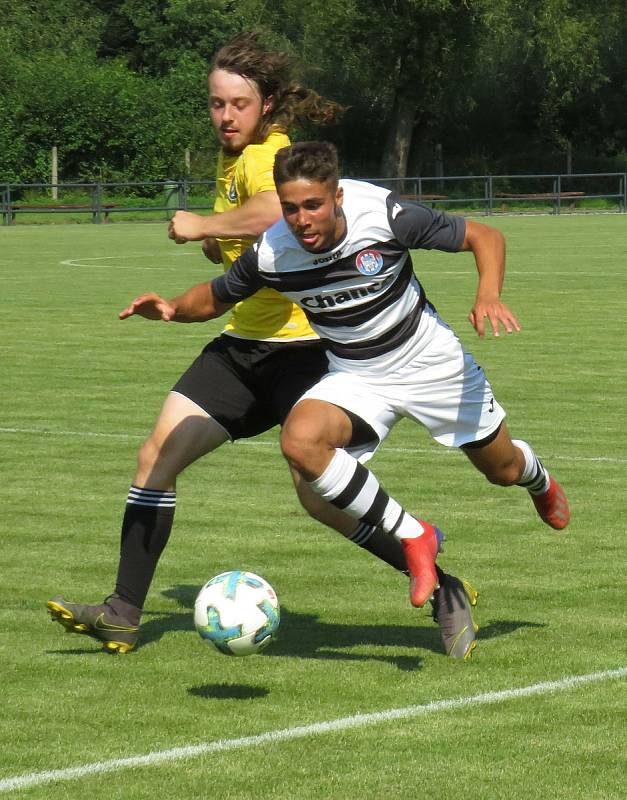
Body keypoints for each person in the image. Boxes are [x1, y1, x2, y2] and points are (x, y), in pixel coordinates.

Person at [47, 36, 479, 659]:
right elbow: (244, 245)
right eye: (216, 104)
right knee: (155, 459)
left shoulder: (269, 155)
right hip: (242, 346)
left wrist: (203, 224)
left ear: (267, 105)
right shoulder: (234, 160)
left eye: (239, 104)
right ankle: (122, 612)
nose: (225, 116)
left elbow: (266, 214)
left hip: (305, 352)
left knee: (318, 495)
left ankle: (443, 587)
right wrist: (204, 256)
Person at [112, 140, 569, 612]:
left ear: (338, 197)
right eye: (290, 209)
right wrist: (171, 309)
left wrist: (487, 295)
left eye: (313, 205)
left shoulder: (383, 216)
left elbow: (484, 236)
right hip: (357, 373)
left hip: (432, 363)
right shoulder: (274, 252)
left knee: (502, 470)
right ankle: (416, 536)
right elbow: (215, 296)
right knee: (300, 442)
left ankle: (538, 479)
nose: (301, 220)